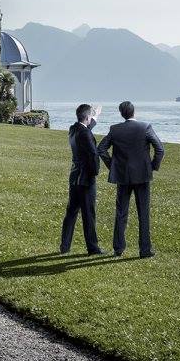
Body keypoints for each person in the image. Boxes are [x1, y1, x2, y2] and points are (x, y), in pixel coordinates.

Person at [98, 101, 164, 258]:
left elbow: (101, 149)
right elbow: (160, 149)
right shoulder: (145, 127)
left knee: (121, 212)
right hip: (142, 176)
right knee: (143, 213)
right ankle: (145, 250)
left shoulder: (115, 129)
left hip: (123, 176)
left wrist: (113, 166)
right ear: (134, 111)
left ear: (121, 114)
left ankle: (118, 248)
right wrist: (152, 166)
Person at [60, 103, 103, 255]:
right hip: (86, 179)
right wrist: (95, 171)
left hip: (75, 177)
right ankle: (93, 247)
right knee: (88, 214)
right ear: (87, 117)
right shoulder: (85, 134)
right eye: (90, 116)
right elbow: (93, 154)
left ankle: (65, 246)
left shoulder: (73, 129)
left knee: (71, 212)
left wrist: (95, 115)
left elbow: (86, 128)